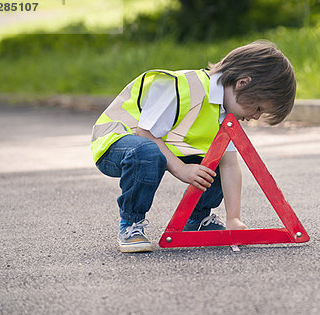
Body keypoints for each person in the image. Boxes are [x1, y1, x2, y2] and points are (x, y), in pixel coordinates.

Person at [90, 41, 297, 252]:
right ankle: (131, 224)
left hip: (162, 147)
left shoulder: (225, 113)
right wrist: (181, 169)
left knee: (214, 164)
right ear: (242, 83)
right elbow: (146, 134)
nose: (255, 116)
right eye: (258, 108)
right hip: (118, 142)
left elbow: (230, 166)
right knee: (146, 151)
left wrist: (233, 219)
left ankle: (197, 219)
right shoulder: (182, 86)